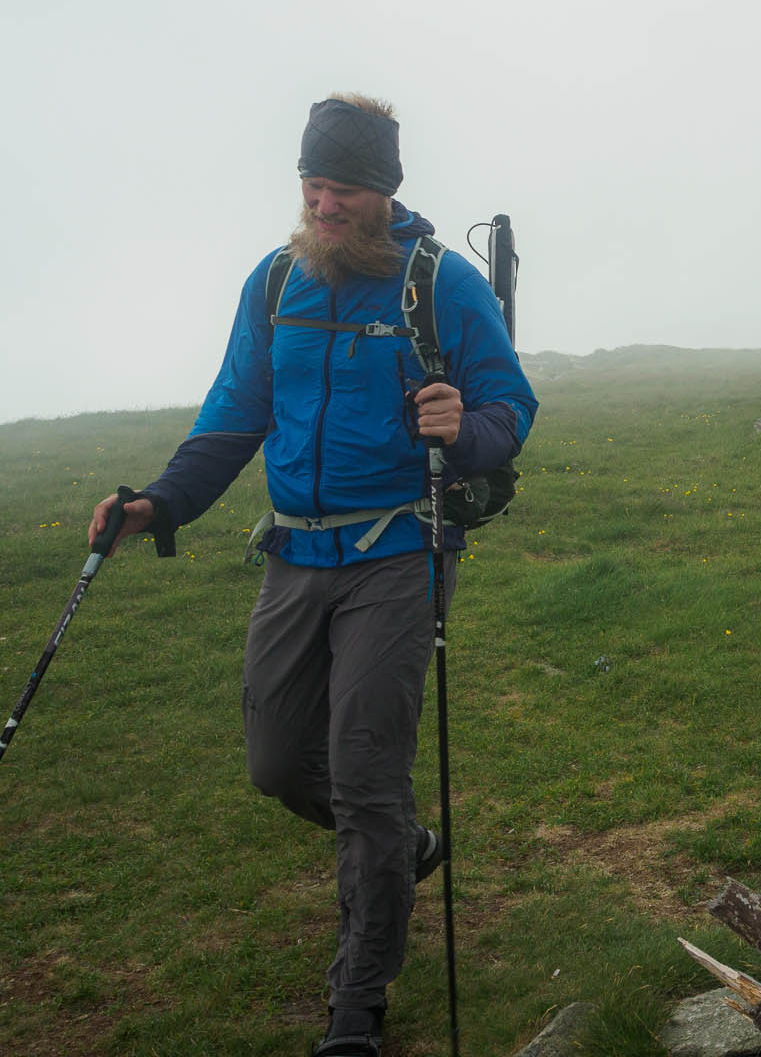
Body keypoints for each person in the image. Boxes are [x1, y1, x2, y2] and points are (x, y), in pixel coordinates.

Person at [90, 93, 537, 1056]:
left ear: (385, 191)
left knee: (370, 779)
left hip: (398, 553)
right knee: (280, 764)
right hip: (294, 555)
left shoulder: (439, 285)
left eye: (346, 188)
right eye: (314, 184)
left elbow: (510, 406)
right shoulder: (274, 283)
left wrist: (469, 429)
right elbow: (233, 412)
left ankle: (357, 1000)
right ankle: (401, 851)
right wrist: (159, 504)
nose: (326, 204)